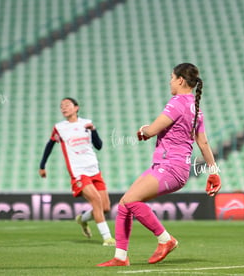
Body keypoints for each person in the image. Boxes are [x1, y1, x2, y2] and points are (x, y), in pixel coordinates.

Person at [97, 63, 222, 266]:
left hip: (170, 167)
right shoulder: (195, 108)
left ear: (181, 80)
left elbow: (152, 130)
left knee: (131, 201)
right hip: (172, 167)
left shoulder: (177, 103)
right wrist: (214, 172)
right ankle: (120, 257)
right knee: (124, 203)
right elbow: (203, 142)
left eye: (172, 77)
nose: (170, 81)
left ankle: (165, 239)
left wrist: (142, 130)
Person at [39, 97, 116, 246]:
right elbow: (49, 145)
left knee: (105, 207)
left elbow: (99, 146)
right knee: (96, 201)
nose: (63, 108)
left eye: (67, 105)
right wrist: (42, 166)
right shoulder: (59, 127)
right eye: (61, 106)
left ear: (76, 108)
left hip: (94, 169)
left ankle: (82, 219)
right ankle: (107, 238)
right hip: (78, 172)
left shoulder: (86, 123)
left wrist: (94, 131)